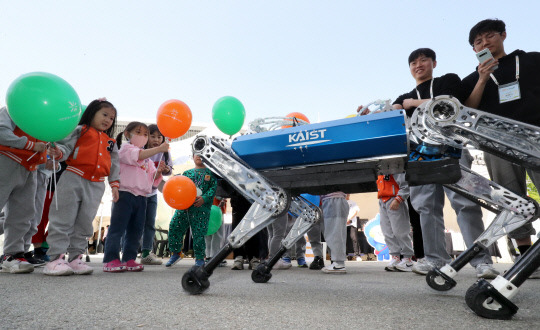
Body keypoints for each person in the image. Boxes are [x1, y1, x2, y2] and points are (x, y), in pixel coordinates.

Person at [382, 48, 498, 278]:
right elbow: (391, 115)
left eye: (423, 60)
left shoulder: (448, 80)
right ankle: (434, 259)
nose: (418, 65)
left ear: (434, 62)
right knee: (426, 207)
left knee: (465, 203)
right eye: (413, 62)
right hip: (418, 153)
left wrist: (411, 103)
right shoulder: (403, 96)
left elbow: (452, 102)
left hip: (451, 146)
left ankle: (482, 262)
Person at [463, 19, 540, 278]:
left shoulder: (530, 60)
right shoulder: (473, 77)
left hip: (535, 134)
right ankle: (525, 252)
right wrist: (483, 78)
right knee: (511, 197)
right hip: (497, 141)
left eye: (489, 36)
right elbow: (469, 109)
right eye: (478, 42)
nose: (484, 43)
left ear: (503, 35)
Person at [42, 99, 119, 276]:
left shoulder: (110, 142)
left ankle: (76, 257)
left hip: (97, 184)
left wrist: (115, 184)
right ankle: (55, 259)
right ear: (91, 113)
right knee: (63, 218)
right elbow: (65, 148)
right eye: (104, 115)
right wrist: (58, 152)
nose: (108, 120)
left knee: (85, 222)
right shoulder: (79, 130)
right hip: (73, 176)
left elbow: (115, 165)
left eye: (112, 118)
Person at [102, 121, 167, 272]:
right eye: (139, 133)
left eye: (145, 134)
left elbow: (153, 180)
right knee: (117, 228)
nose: (143, 137)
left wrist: (158, 172)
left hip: (142, 197)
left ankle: (129, 258)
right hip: (125, 194)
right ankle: (110, 259)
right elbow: (137, 155)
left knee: (136, 230)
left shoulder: (148, 160)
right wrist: (159, 148)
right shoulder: (125, 148)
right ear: (127, 134)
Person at [0, 107, 48, 273]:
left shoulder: (44, 115)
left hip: (30, 167)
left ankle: (12, 255)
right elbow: (1, 131)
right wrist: (29, 145)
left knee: (23, 213)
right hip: (6, 159)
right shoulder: (13, 108)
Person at [166, 154, 217, 267]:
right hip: (184, 207)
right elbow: (180, 186)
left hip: (201, 208)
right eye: (197, 154)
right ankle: (176, 253)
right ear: (193, 157)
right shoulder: (186, 174)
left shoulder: (211, 173)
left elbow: (213, 188)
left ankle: (199, 258)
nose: (199, 157)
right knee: (175, 226)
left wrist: (204, 198)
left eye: (202, 155)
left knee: (199, 233)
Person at [140, 124, 173, 265]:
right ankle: (126, 250)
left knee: (150, 223)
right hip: (137, 192)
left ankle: (146, 252)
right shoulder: (141, 150)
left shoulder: (165, 152)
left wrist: (165, 169)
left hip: (152, 193)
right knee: (134, 223)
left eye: (159, 137)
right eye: (152, 136)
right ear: (146, 137)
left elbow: (169, 170)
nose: (156, 139)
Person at [377, 173, 415, 272]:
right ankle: (395, 257)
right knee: (387, 231)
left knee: (400, 231)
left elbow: (405, 185)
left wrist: (399, 199)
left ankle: (408, 259)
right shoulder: (381, 170)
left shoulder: (395, 167)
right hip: (383, 200)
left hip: (394, 198)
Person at [320, 191, 348, 274]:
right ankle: (338, 263)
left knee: (335, 232)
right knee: (333, 231)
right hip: (332, 199)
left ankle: (339, 264)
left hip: (333, 199)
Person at [205, 196, 227, 267]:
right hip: (217, 208)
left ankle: (208, 256)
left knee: (207, 234)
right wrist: (224, 199)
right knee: (217, 234)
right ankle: (214, 257)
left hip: (206, 207)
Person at [346, 196, 361, 261]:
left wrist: (350, 218)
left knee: (354, 238)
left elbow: (356, 211)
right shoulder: (341, 202)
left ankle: (357, 255)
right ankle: (344, 255)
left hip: (352, 223)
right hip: (343, 224)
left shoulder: (353, 202)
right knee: (344, 239)